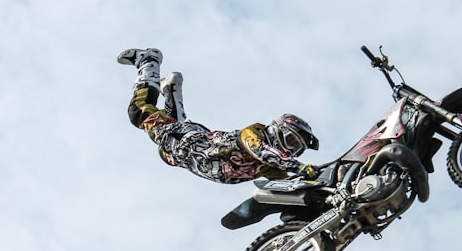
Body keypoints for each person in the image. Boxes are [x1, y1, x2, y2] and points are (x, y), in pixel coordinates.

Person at [120, 47, 320, 184]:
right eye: (291, 141)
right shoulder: (254, 135)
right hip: (192, 141)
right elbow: (261, 149)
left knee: (171, 138)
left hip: (190, 148)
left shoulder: (266, 166)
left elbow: (287, 183)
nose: (289, 149)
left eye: (296, 150)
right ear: (278, 129)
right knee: (138, 111)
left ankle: (172, 89)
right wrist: (298, 166)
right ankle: (149, 61)